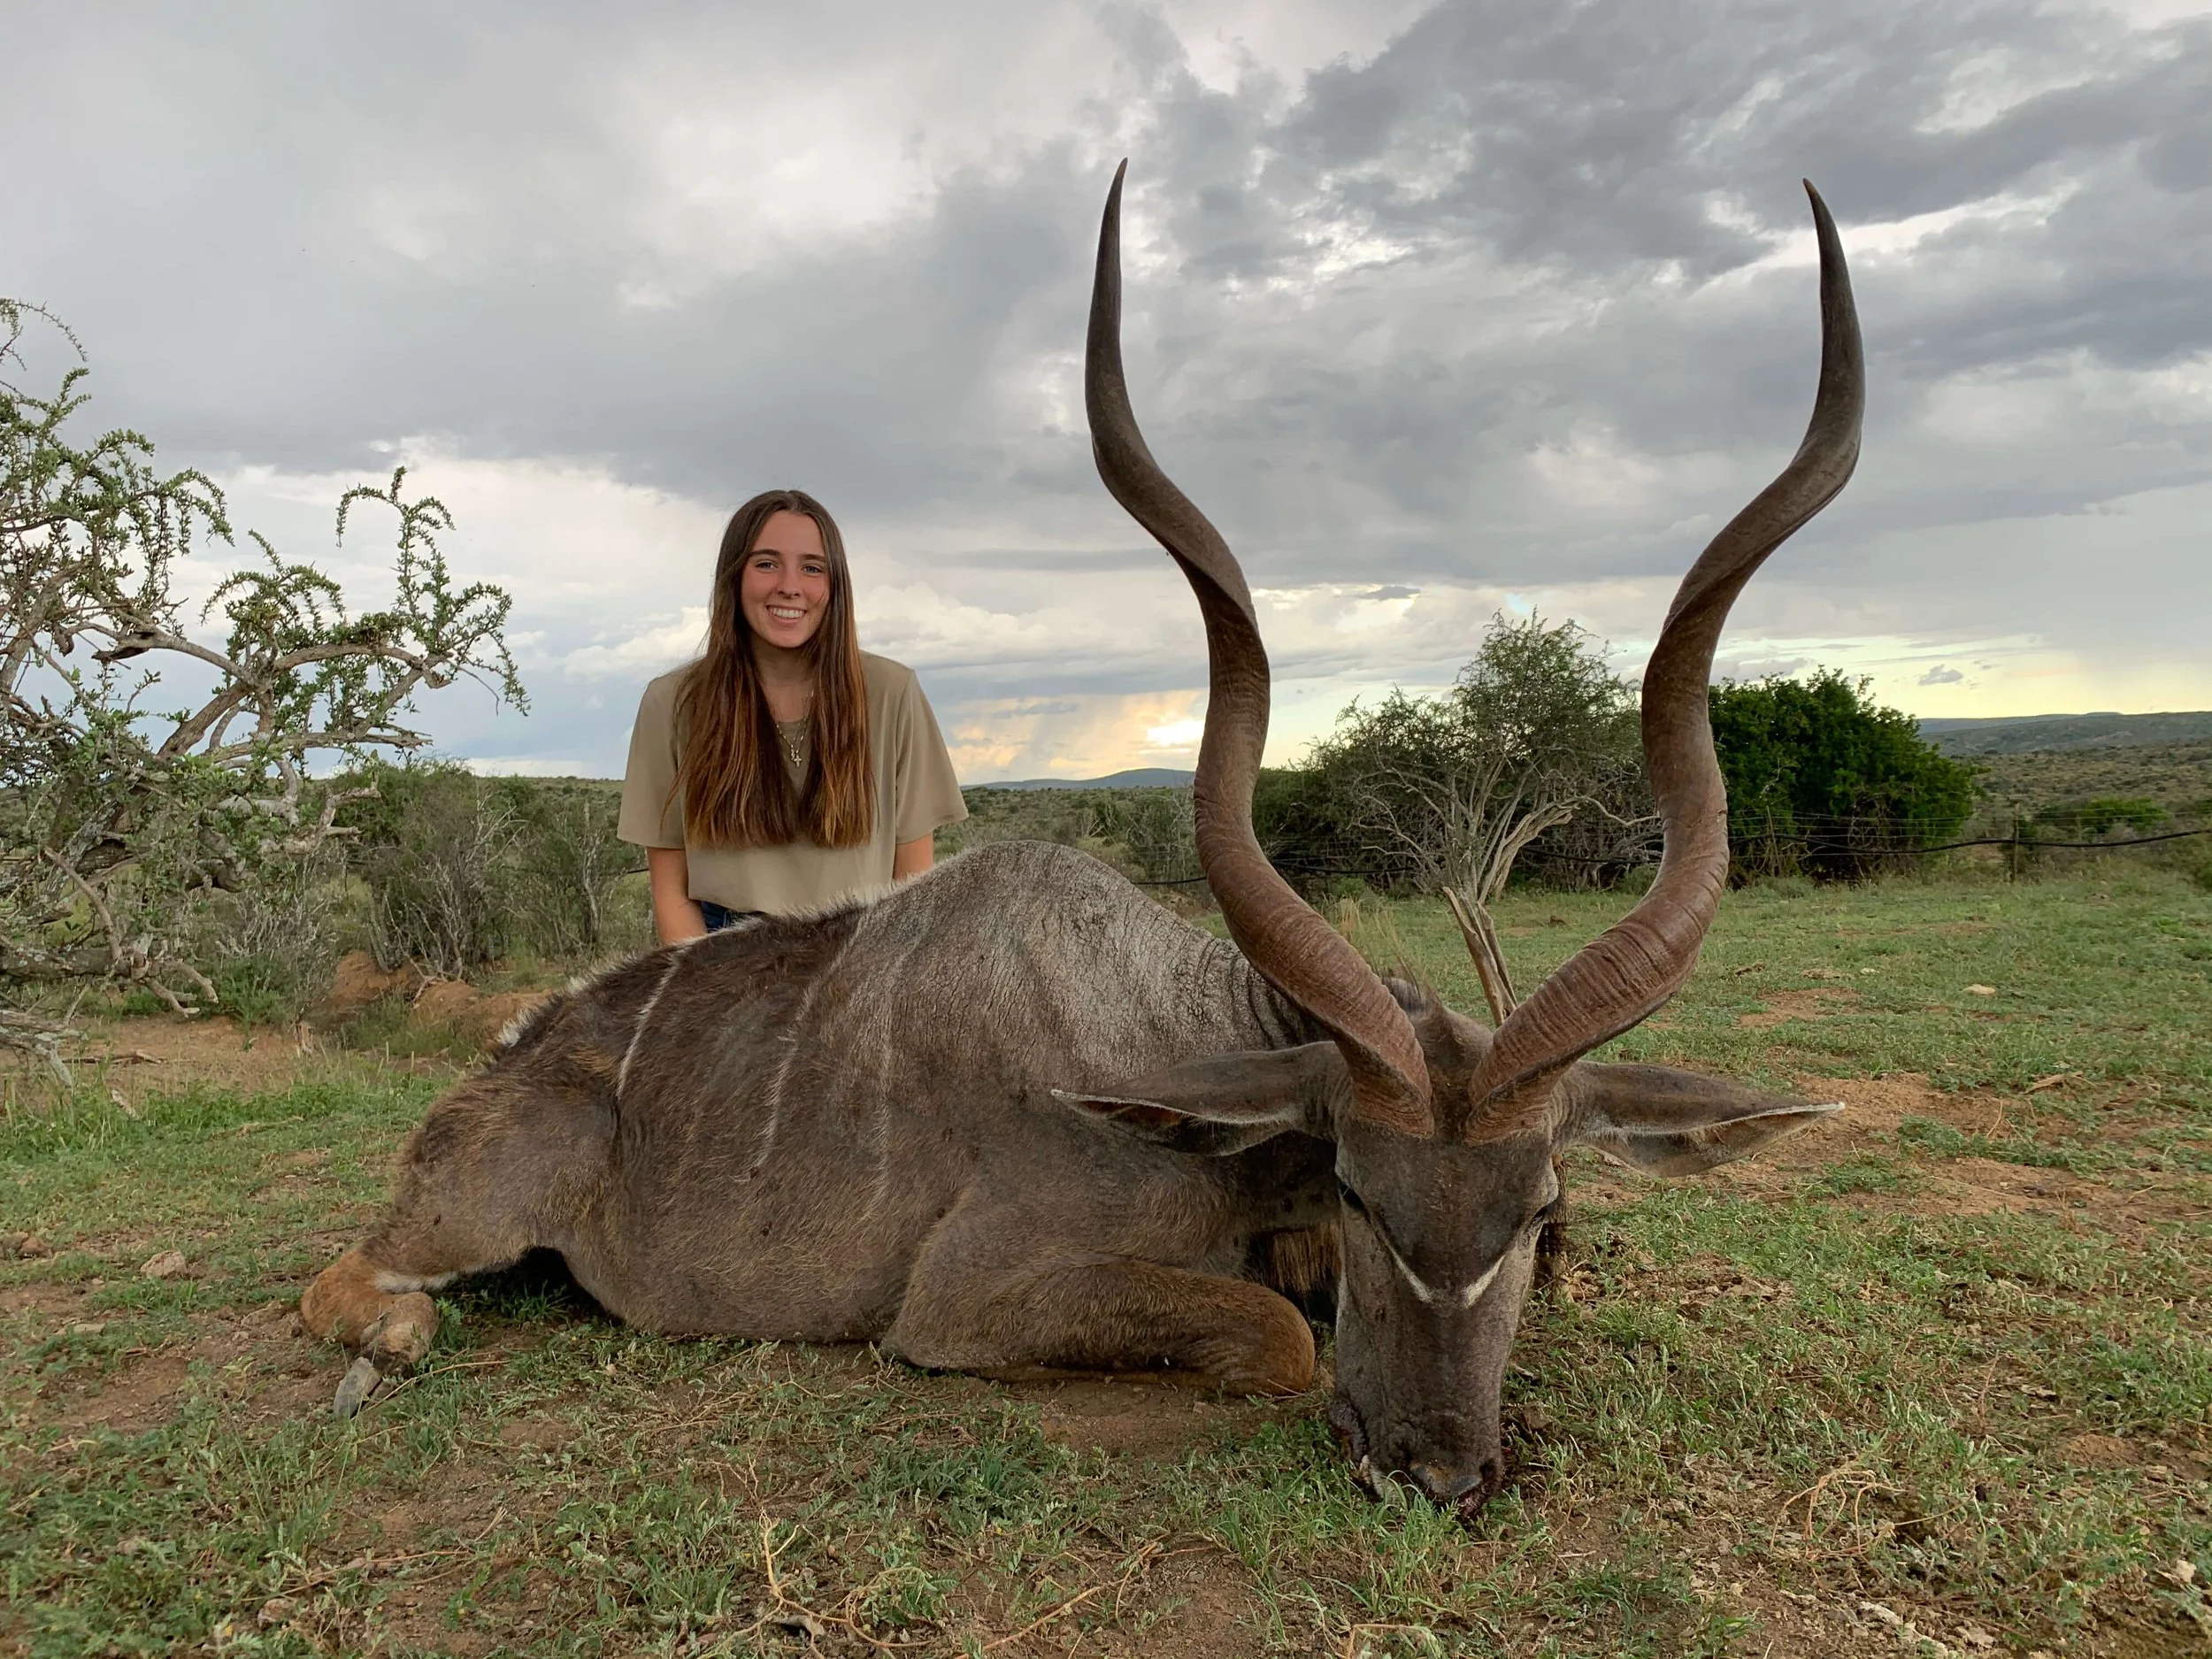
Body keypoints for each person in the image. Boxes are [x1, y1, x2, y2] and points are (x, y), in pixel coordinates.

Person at [618, 488, 967, 943]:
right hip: (721, 964)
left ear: (834, 584)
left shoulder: (893, 693)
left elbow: (912, 891)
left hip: (860, 957)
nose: (789, 585)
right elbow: (671, 893)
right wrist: (710, 1002)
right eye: (766, 563)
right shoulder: (673, 703)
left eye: (811, 567)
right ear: (734, 576)